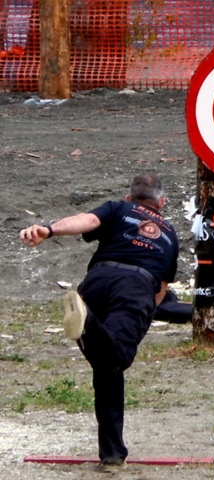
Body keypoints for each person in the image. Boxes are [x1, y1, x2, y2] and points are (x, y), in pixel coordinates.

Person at [20, 174, 179, 471]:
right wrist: (142, 314)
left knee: (106, 367)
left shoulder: (119, 209)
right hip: (135, 287)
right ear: (162, 203)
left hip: (95, 283)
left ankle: (112, 454)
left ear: (130, 198)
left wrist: (48, 229)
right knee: (119, 357)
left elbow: (88, 221)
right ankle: (88, 322)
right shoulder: (170, 233)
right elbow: (161, 292)